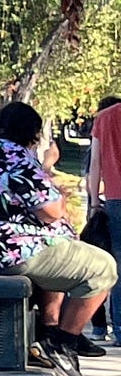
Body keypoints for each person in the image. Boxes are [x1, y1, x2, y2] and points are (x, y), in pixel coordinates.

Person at [0, 100, 117, 376]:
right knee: (103, 267)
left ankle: (50, 329)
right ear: (31, 135)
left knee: (61, 248)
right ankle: (63, 342)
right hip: (5, 252)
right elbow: (51, 210)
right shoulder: (14, 155)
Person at [85, 94, 121, 343]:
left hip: (115, 200)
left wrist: (95, 203)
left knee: (119, 266)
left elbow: (95, 164)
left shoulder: (105, 118)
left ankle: (120, 329)